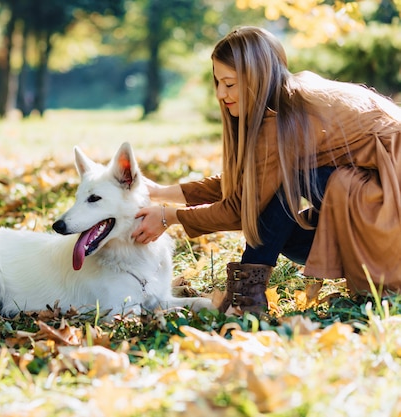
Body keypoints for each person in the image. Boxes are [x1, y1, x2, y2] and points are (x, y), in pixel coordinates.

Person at [131, 26, 401, 314]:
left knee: (285, 184)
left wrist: (168, 217)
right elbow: (252, 183)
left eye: (230, 84)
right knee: (283, 221)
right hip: (376, 198)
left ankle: (247, 295)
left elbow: (241, 207)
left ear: (256, 78)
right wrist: (161, 193)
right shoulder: (293, 96)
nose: (221, 93)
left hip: (390, 206)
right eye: (218, 82)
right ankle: (248, 293)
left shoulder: (286, 117)